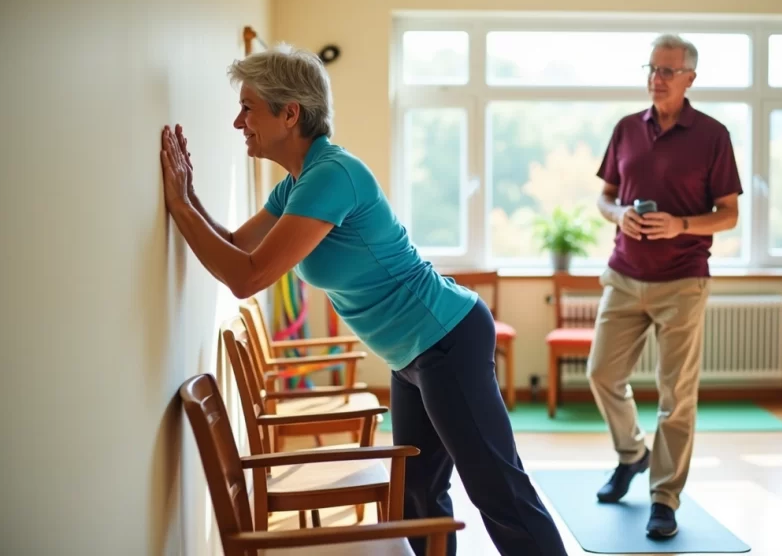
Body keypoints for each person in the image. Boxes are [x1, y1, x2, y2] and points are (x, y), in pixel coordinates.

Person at [158, 43, 568, 556]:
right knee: (416, 494)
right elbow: (239, 247)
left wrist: (180, 208)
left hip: (445, 338)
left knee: (497, 489)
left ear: (290, 114)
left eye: (249, 107)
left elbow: (246, 276)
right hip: (410, 354)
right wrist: (189, 197)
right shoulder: (297, 184)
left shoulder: (332, 175)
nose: (239, 122)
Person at [585, 34, 742, 539]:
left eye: (668, 70)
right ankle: (632, 454)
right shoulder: (628, 128)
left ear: (690, 78)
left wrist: (680, 226)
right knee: (601, 373)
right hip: (625, 275)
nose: (657, 78)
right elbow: (605, 199)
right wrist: (621, 215)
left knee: (677, 396)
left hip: (683, 283)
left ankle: (665, 497)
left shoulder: (713, 136)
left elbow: (729, 215)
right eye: (652, 68)